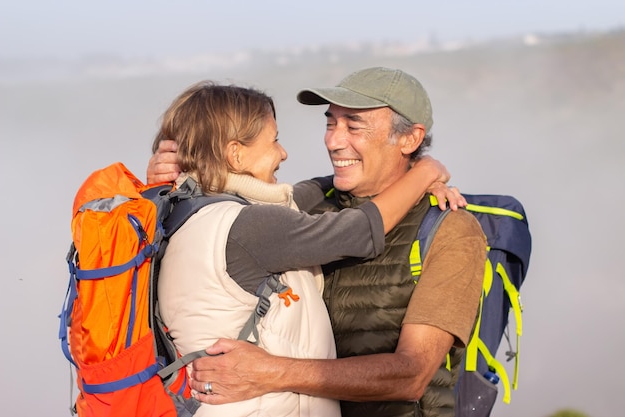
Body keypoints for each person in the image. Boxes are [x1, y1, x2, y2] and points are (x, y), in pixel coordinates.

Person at [151, 79, 465, 417]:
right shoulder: (251, 225)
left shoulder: (182, 211)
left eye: (352, 124)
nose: (331, 140)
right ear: (235, 153)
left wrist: (383, 171)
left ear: (410, 138)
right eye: (274, 141)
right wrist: (425, 170)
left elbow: (297, 195)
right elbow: (359, 230)